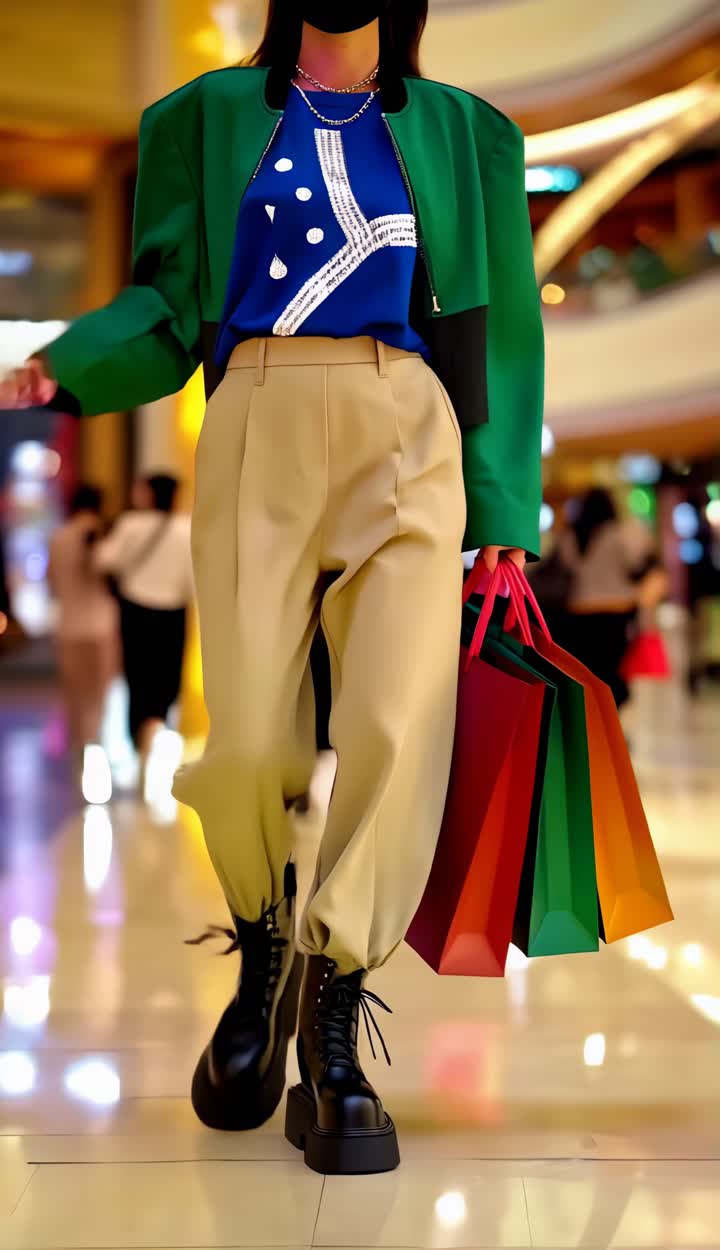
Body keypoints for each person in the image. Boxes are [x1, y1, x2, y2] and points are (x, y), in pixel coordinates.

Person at [0, 2, 544, 1174]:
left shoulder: (468, 133)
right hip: (253, 406)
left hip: (412, 426)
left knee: (399, 724)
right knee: (247, 737)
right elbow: (164, 303)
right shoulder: (198, 118)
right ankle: (263, 949)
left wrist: (502, 511)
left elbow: (503, 337)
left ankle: (336, 1011)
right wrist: (66, 366)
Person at [94, 474, 193, 759]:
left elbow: (104, 560)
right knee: (167, 676)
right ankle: (157, 728)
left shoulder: (130, 525)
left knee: (137, 677)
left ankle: (139, 739)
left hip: (136, 611)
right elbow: (193, 578)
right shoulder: (186, 529)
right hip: (173, 612)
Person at [557, 488, 660, 708]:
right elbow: (635, 566)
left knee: (589, 672)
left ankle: (593, 722)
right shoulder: (619, 534)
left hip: (580, 611)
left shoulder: (572, 535)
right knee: (613, 671)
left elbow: (568, 567)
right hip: (616, 612)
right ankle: (610, 724)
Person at [48, 485, 118, 768]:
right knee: (99, 700)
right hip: (101, 629)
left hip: (69, 628)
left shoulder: (59, 537)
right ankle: (96, 754)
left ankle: (82, 761)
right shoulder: (106, 534)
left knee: (76, 700)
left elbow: (52, 584)